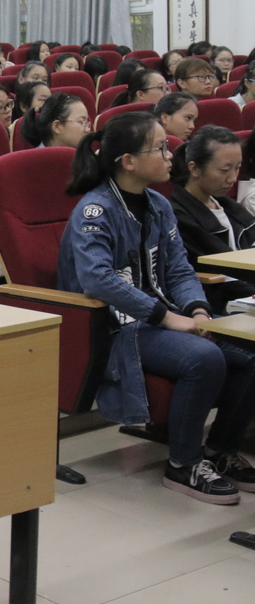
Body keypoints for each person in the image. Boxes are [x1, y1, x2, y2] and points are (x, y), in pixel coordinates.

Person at [59, 111, 255, 502]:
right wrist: (167, 318)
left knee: (249, 349)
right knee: (204, 357)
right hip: (118, 324)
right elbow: (98, 280)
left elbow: (179, 269)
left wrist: (198, 310)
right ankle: (183, 463)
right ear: (129, 161)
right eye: (161, 148)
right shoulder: (95, 210)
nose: (171, 155)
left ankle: (220, 449)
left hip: (162, 316)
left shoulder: (158, 205)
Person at [168, 126, 255, 312]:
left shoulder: (231, 209)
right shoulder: (178, 216)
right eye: (224, 170)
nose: (233, 178)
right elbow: (226, 272)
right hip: (221, 302)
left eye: (238, 168)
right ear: (195, 169)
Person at [21, 92, 90, 149]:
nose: (88, 130)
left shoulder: (86, 157)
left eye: (87, 123)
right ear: (57, 126)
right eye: (81, 122)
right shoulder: (34, 160)